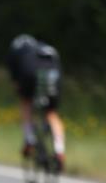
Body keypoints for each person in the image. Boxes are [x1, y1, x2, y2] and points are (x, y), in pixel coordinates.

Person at [6, 34, 66, 170]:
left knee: (25, 102)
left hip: (29, 73)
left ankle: (29, 139)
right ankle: (59, 150)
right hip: (53, 75)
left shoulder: (16, 52)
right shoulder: (46, 48)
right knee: (51, 113)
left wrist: (20, 91)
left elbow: (15, 81)